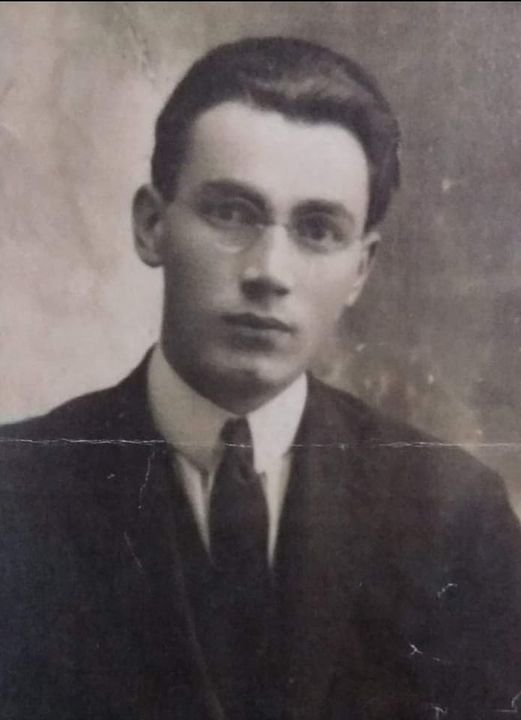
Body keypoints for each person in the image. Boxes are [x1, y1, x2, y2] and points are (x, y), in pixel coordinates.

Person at [1, 36, 520, 720]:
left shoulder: (454, 513)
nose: (268, 272)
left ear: (360, 269)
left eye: (318, 229)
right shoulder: (16, 490)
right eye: (230, 212)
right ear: (152, 225)